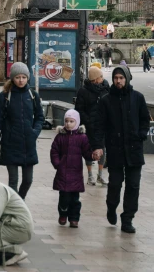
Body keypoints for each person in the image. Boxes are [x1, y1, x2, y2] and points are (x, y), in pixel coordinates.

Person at [92, 64, 150, 234]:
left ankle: (128, 218)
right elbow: (99, 125)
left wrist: (141, 133)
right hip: (115, 149)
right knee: (115, 184)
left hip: (134, 149)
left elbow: (145, 119)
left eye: (121, 78)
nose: (118, 81)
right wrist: (98, 146)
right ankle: (111, 207)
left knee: (133, 185)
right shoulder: (106, 100)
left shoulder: (137, 98)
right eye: (116, 78)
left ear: (127, 78)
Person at [0, 62, 44, 200]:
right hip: (10, 142)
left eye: (23, 77)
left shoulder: (32, 95)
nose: (21, 80)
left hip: (28, 143)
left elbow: (40, 117)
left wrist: (34, 131)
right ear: (12, 78)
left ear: (27, 78)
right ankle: (15, 206)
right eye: (18, 77)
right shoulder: (5, 96)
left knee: (28, 180)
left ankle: (20, 200)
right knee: (13, 181)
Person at [50, 110, 102, 228]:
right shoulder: (60, 137)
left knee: (75, 198)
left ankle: (74, 218)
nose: (68, 124)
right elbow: (54, 151)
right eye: (66, 121)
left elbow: (86, 152)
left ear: (77, 122)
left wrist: (93, 156)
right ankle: (63, 214)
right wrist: (57, 164)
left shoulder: (82, 137)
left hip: (76, 173)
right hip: (62, 172)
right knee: (63, 197)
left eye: (71, 121)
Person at [75, 65, 109, 186]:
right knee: (89, 149)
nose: (102, 79)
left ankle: (100, 174)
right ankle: (90, 175)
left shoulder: (106, 88)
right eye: (100, 77)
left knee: (102, 148)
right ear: (94, 80)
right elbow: (79, 109)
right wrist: (88, 120)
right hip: (89, 125)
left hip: (103, 124)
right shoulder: (83, 91)